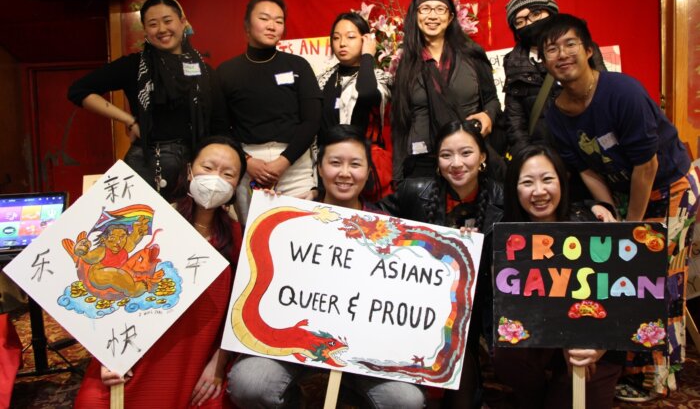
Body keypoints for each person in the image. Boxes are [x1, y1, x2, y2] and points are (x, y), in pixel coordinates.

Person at [539, 13, 700, 398]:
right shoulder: (555, 113)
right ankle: (629, 365)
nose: (561, 54)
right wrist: (609, 210)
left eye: (570, 44)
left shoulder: (623, 92)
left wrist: (631, 227)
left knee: (661, 280)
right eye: (551, 49)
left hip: (670, 185)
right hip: (625, 192)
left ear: (589, 50)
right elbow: (585, 168)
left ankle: (658, 378)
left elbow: (649, 165)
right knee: (627, 280)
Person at [227, 124, 425, 409]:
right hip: (293, 341)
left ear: (368, 172)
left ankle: (351, 392)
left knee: (406, 401)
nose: (344, 173)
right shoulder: (292, 218)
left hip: (364, 350)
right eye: (335, 163)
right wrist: (270, 216)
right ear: (319, 168)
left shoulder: (388, 231)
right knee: (249, 384)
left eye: (355, 164)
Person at [74, 135, 246, 408]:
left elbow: (241, 310)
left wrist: (218, 363)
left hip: (199, 356)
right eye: (208, 167)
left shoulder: (238, 236)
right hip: (141, 351)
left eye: (228, 174)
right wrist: (111, 355)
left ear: (237, 184)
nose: (216, 179)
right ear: (190, 169)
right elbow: (111, 296)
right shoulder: (156, 224)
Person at [377, 120, 503, 408]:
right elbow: (372, 219)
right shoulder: (414, 192)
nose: (456, 164)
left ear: (483, 156)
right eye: (446, 155)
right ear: (437, 160)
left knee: (461, 394)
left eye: (466, 153)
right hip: (415, 310)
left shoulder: (502, 198)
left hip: (471, 316)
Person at [493, 145, 621, 408]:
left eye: (547, 180)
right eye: (527, 182)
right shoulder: (506, 239)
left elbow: (622, 299)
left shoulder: (592, 225)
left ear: (562, 182)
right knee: (506, 355)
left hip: (592, 342)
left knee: (574, 397)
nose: (539, 191)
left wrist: (597, 345)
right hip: (538, 342)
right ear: (514, 189)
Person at [68, 0, 229, 201]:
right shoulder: (134, 66)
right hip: (147, 165)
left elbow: (220, 125)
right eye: (153, 24)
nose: (162, 29)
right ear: (145, 31)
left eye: (168, 20)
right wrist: (129, 120)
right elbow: (79, 90)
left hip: (195, 165)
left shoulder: (205, 71)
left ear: (182, 22)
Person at [218, 0, 322, 224]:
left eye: (279, 20)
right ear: (247, 25)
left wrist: (284, 161)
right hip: (249, 167)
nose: (272, 25)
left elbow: (312, 121)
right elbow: (220, 127)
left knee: (301, 233)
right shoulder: (227, 72)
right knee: (255, 236)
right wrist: (246, 162)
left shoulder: (298, 66)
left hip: (294, 164)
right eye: (264, 18)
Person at [392, 0, 504, 185]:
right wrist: (398, 178)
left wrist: (488, 114)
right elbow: (401, 124)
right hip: (422, 161)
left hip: (466, 158)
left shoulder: (472, 54)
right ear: (415, 16)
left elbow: (492, 100)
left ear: (451, 17)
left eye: (440, 9)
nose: (432, 15)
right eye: (425, 9)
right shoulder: (406, 65)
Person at [502, 0, 608, 157]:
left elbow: (604, 96)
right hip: (543, 153)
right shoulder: (514, 61)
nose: (528, 23)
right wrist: (527, 157)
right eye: (519, 21)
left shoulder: (582, 48)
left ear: (551, 12)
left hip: (586, 148)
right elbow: (515, 119)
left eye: (535, 14)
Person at [317, 12, 392, 138]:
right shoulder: (321, 80)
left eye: (350, 37)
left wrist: (367, 55)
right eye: (336, 38)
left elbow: (366, 92)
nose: (342, 43)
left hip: (363, 155)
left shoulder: (380, 79)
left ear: (365, 40)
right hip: (326, 155)